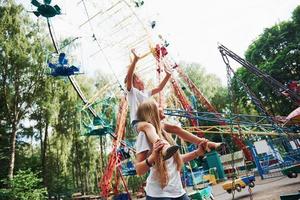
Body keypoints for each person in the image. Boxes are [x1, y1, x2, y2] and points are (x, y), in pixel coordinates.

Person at [126, 49, 223, 160]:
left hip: (152, 122)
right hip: (139, 123)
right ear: (135, 81)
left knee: (175, 128)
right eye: (139, 78)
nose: (141, 80)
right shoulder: (132, 93)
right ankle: (163, 148)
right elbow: (129, 77)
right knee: (149, 127)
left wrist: (168, 75)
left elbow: (159, 88)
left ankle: (208, 143)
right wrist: (135, 61)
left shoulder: (146, 93)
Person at [134, 100, 207, 199]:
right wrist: (152, 157)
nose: (162, 107)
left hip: (178, 192)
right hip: (159, 195)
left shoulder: (164, 132)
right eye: (158, 106)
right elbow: (139, 170)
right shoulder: (144, 135)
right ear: (153, 112)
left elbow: (173, 160)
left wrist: (197, 153)